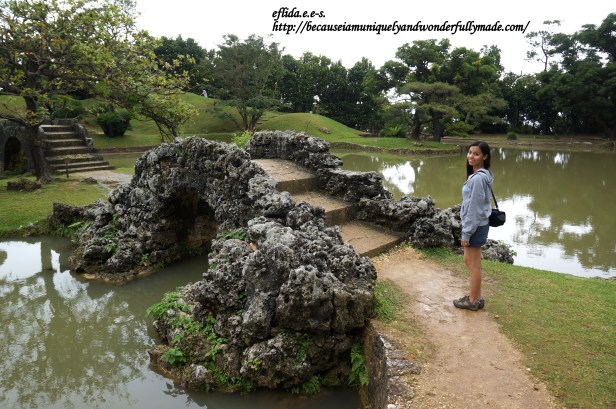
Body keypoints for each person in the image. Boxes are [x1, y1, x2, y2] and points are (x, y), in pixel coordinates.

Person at [454, 140, 493, 311]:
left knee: (473, 264)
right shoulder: (484, 175)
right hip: (478, 224)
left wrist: (466, 233)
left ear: (484, 156)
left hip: (475, 226)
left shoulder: (478, 179)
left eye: (476, 154)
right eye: (470, 152)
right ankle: (475, 296)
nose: (471, 156)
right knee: (469, 261)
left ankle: (473, 301)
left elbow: (474, 209)